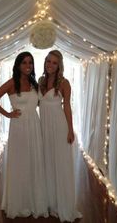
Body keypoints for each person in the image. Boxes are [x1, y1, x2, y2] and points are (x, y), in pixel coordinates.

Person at [0, 51, 48, 219]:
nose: (28, 66)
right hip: (19, 127)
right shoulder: (11, 83)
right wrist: (7, 114)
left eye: (30, 63)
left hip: (34, 126)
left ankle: (35, 200)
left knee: (34, 160)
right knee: (20, 162)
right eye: (24, 63)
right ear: (18, 65)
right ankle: (19, 201)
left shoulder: (35, 83)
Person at [38, 50, 82, 222]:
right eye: (48, 61)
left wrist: (70, 130)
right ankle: (49, 201)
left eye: (54, 62)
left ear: (59, 65)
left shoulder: (64, 83)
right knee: (47, 161)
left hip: (58, 126)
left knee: (60, 162)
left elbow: (67, 107)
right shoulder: (41, 81)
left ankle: (62, 204)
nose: (50, 65)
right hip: (44, 126)